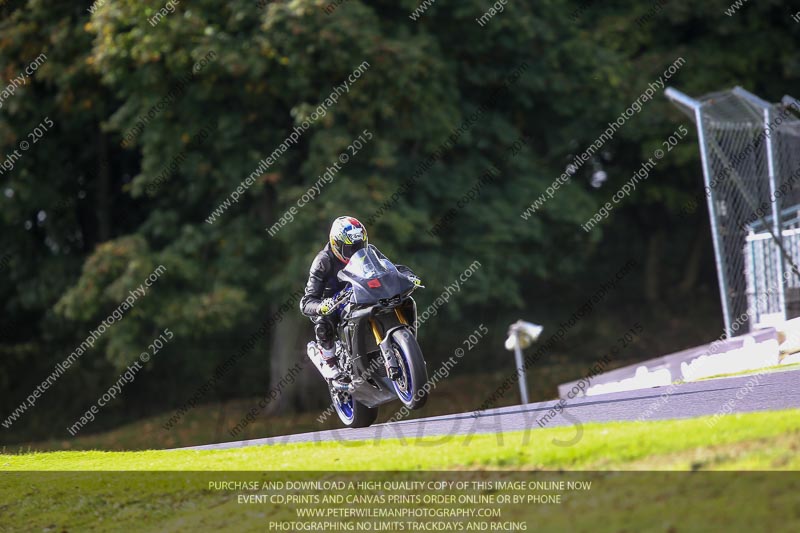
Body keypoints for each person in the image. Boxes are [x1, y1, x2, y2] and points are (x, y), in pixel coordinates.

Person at [300, 216, 420, 380]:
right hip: (336, 302)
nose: (356, 251)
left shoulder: (370, 251)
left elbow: (391, 268)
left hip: (364, 293)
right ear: (336, 245)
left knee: (399, 300)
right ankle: (330, 361)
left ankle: (404, 348)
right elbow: (307, 302)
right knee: (324, 321)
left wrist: (408, 276)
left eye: (359, 246)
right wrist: (322, 306)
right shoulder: (323, 261)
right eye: (350, 248)